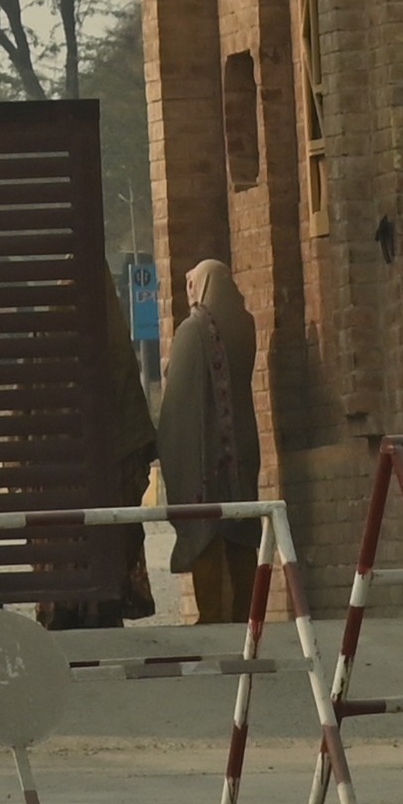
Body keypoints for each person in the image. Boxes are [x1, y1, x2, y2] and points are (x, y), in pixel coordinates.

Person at [152, 253, 264, 625]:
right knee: (243, 526)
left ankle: (212, 614)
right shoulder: (245, 325)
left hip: (203, 449)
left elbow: (179, 400)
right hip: (242, 448)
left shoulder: (192, 330)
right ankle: (244, 613)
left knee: (205, 526)